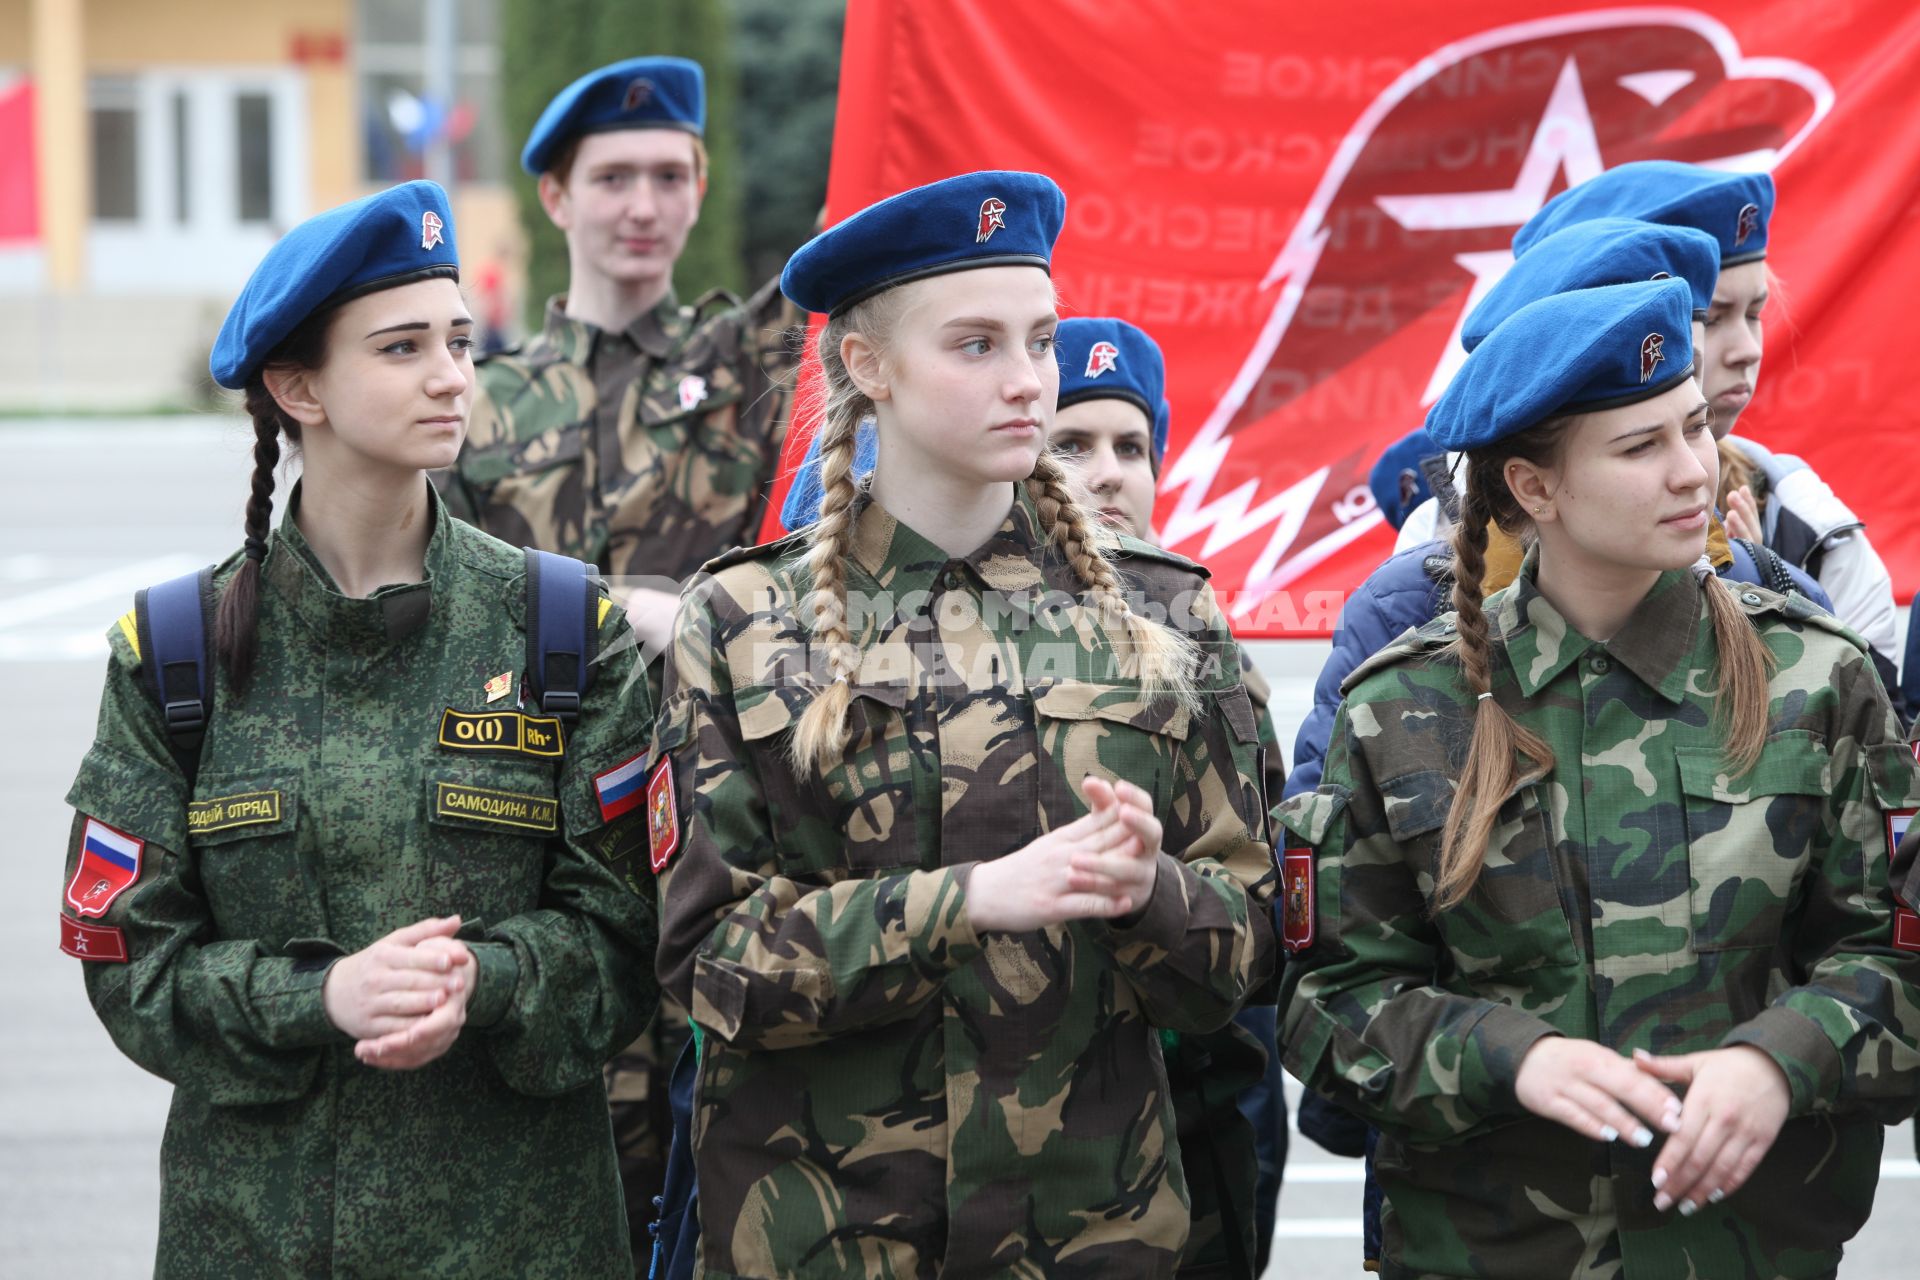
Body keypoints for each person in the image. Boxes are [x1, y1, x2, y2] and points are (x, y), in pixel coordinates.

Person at [653, 171, 1277, 1277]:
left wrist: (1149, 893)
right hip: (826, 1243)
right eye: (976, 345)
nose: (1028, 381)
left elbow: (1246, 962)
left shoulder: (1165, 611)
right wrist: (970, 900)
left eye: (1038, 340)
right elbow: (710, 964)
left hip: (1097, 1241)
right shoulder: (745, 618)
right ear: (868, 367)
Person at [57, 181, 660, 1276]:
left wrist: (490, 978)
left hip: (521, 1238)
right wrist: (319, 994)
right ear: (299, 386)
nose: (450, 376)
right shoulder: (175, 654)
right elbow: (130, 965)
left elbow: (630, 940)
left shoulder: (564, 631)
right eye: (401, 347)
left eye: (460, 341)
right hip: (255, 1236)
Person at [1277, 278, 1920, 1278]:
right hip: (1490, 1250)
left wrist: (1776, 1060)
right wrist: (1510, 1055)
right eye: (1639, 446)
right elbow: (1327, 1000)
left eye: (1695, 427)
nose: (1692, 472)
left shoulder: (1817, 677)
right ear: (1534, 488)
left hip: (1749, 1252)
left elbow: (1894, 956)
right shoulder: (1403, 710)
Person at [433, 56, 801, 1252]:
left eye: (668, 174)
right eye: (611, 177)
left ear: (700, 192)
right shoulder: (479, 405)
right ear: (555, 198)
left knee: (713, 1172)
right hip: (530, 825)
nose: (641, 203)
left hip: (718, 813)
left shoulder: (757, 374)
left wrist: (678, 612)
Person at [1514, 161, 1903, 712]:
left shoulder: (1807, 529)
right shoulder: (1439, 552)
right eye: (1712, 317)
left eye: (1756, 312)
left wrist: (1771, 609)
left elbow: (1877, 745)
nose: (1747, 348)